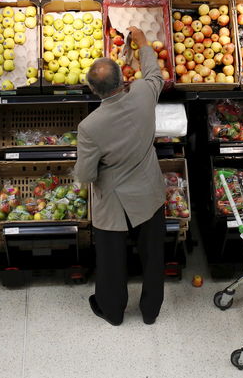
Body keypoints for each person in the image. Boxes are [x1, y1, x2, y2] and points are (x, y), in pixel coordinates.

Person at [73, 26, 167, 327]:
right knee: (153, 257)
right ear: (123, 78)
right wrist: (141, 43)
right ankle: (151, 311)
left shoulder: (90, 126)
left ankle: (112, 311)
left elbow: (87, 174)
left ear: (92, 90)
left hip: (114, 202)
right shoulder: (142, 93)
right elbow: (155, 74)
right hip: (149, 191)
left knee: (112, 262)